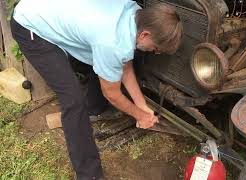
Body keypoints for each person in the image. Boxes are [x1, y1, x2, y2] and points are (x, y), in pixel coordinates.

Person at [10, 0, 183, 179]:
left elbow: (125, 65)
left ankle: (94, 108)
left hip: (52, 13)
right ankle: (89, 175)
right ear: (145, 35)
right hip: (30, 25)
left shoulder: (137, 14)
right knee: (73, 100)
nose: (154, 52)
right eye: (155, 48)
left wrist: (141, 105)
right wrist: (140, 116)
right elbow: (112, 93)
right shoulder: (111, 41)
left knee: (107, 66)